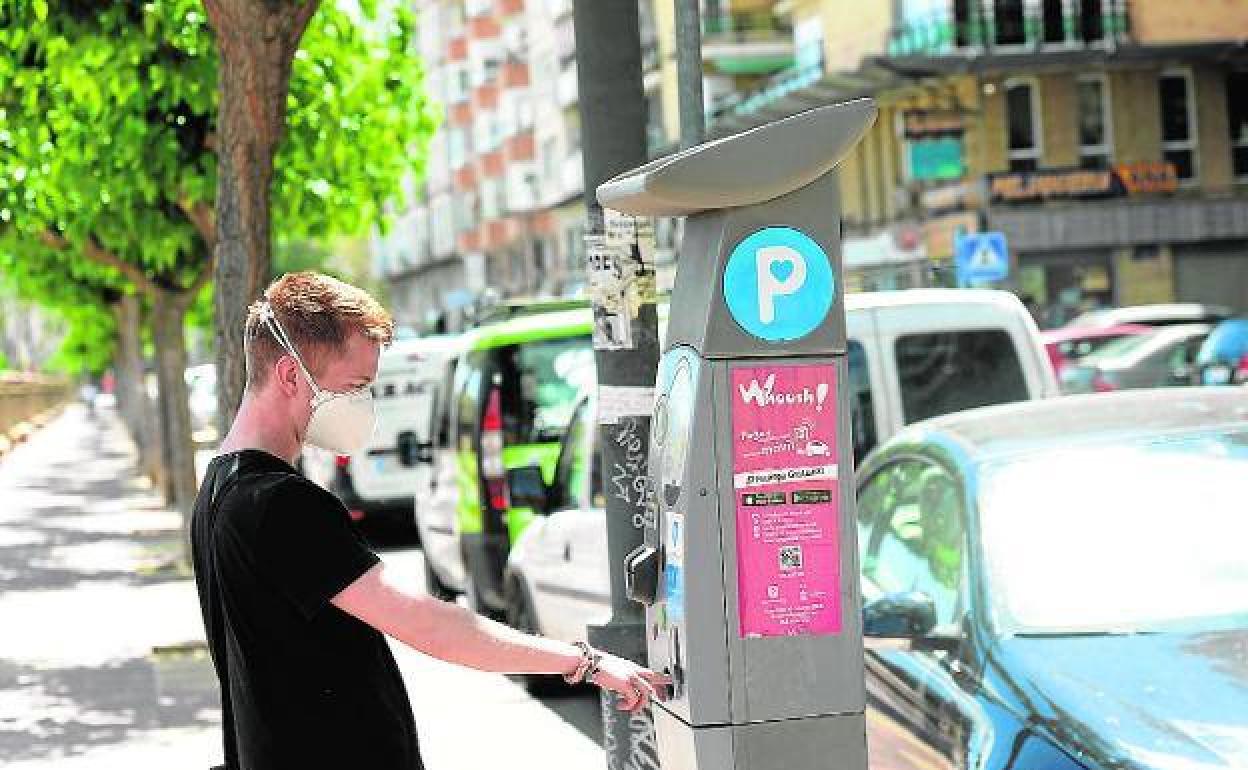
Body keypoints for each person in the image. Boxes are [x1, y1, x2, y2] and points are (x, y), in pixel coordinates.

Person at [192, 272, 668, 770]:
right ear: (290, 375)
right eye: (354, 387)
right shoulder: (280, 504)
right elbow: (427, 624)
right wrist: (582, 661)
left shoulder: (218, 492)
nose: (362, 406)